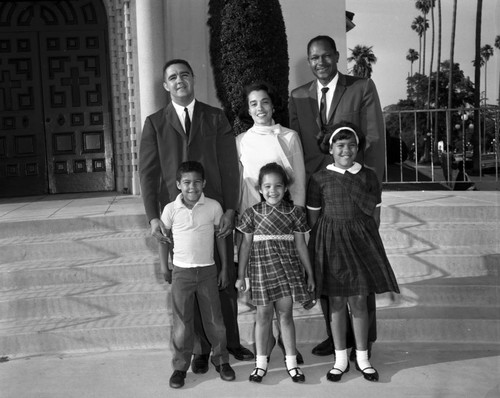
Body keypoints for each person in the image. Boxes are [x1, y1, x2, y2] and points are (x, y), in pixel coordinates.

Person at [139, 59, 254, 375]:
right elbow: (147, 174)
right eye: (172, 77)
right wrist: (153, 217)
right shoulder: (154, 124)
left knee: (221, 279)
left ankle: (228, 343)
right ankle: (200, 351)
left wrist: (230, 208)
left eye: (184, 75)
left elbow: (230, 166)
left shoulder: (215, 118)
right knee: (187, 286)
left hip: (214, 214)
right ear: (165, 85)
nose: (179, 81)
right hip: (175, 217)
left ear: (193, 79)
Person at [289, 35, 385, 358]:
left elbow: (373, 141)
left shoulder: (361, 88)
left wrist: (374, 199)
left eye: (326, 56)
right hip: (320, 194)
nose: (320, 63)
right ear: (309, 60)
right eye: (314, 58)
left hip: (356, 196)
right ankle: (336, 337)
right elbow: (295, 148)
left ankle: (364, 342)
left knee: (360, 270)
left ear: (336, 56)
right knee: (327, 266)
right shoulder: (298, 96)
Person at [307, 124, 399, 383]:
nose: (345, 150)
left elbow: (375, 216)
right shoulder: (319, 178)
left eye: (351, 145)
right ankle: (340, 358)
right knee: (336, 301)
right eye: (340, 145)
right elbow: (314, 218)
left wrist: (362, 237)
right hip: (332, 242)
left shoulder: (369, 176)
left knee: (359, 300)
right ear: (331, 148)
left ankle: (362, 357)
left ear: (357, 148)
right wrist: (327, 241)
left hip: (360, 243)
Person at [236, 81, 307, 363]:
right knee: (263, 292)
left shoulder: (289, 137)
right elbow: (243, 188)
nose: (260, 108)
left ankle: (288, 344)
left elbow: (298, 181)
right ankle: (263, 348)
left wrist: (299, 222)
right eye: (253, 104)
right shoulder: (240, 140)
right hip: (256, 225)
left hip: (285, 225)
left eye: (264, 102)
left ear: (273, 105)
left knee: (286, 288)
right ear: (248, 109)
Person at [235, 163, 315, 384]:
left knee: (286, 316)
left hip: (287, 271)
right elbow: (245, 246)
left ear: (286, 188)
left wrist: (310, 274)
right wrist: (241, 275)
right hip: (261, 271)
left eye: (278, 186)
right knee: (262, 316)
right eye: (267, 186)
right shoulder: (251, 214)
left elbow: (301, 246)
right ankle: (261, 364)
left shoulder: (295, 213)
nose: (273, 191)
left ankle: (291, 363)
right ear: (260, 188)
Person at [161, 161, 236, 388]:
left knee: (214, 320)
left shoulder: (213, 207)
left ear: (203, 183)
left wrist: (224, 267)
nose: (191, 187)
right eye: (186, 182)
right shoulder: (170, 209)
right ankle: (180, 367)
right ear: (178, 185)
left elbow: (220, 236)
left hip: (207, 271)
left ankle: (222, 361)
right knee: (182, 324)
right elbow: (163, 239)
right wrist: (165, 267)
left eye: (196, 182)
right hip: (182, 273)